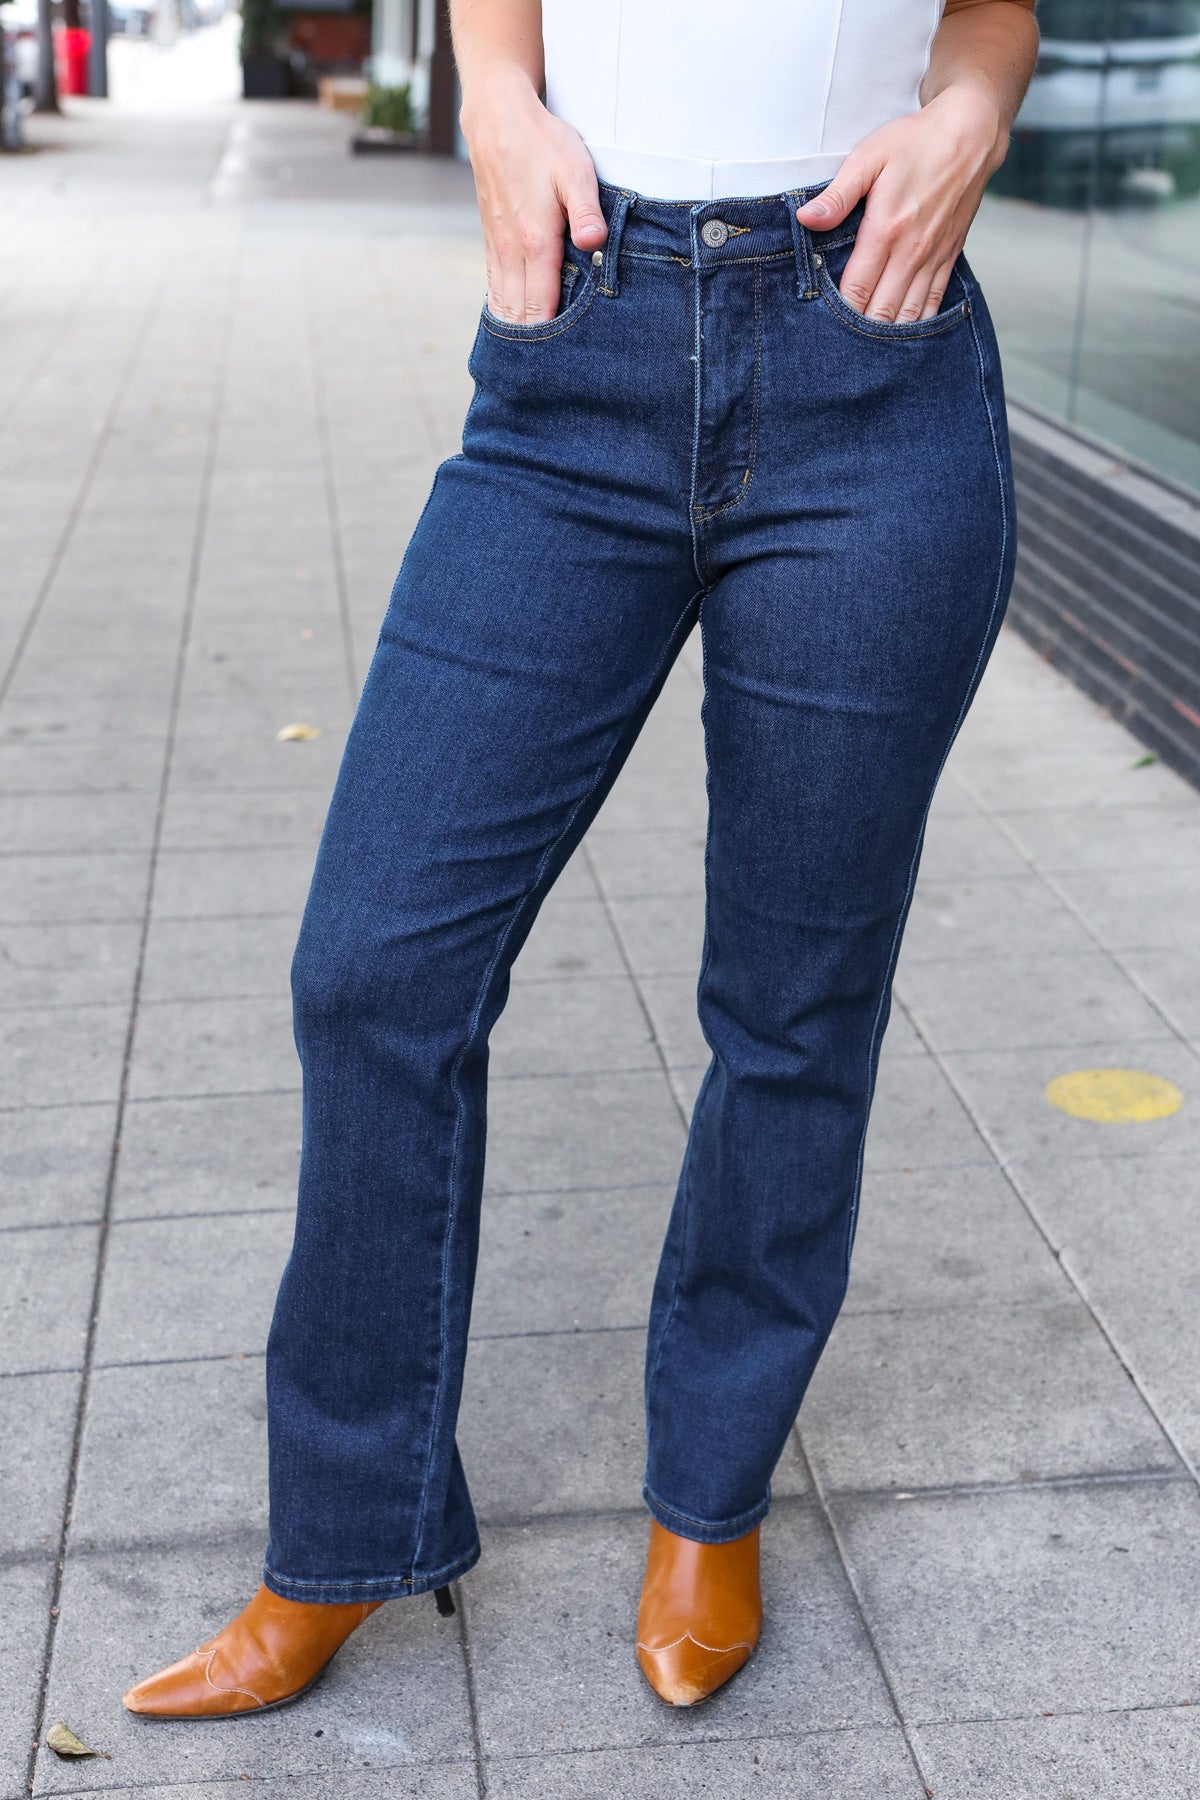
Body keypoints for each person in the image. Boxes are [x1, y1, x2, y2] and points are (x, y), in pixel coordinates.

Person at [123, 0, 1039, 1718]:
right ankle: (342, 1537)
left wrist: (975, 110)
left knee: (794, 1005)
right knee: (375, 969)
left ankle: (710, 1503)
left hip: (868, 354)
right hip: (581, 353)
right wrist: (494, 96)